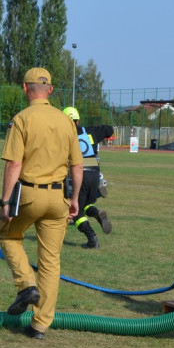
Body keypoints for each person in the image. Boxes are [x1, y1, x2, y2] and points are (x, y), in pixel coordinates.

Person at [0, 67, 83, 340]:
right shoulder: (66, 120)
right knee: (50, 261)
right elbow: (77, 166)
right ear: (50, 90)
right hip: (59, 198)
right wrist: (75, 199)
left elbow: (14, 163)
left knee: (9, 235)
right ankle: (40, 325)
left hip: (30, 195)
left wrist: (5, 202)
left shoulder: (21, 119)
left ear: (25, 88)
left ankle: (26, 286)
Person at [62, 106, 114, 248]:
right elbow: (109, 129)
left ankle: (92, 239)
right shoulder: (89, 131)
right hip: (95, 173)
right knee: (84, 204)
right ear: (78, 121)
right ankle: (97, 213)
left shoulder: (63, 135)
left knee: (75, 211)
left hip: (79, 173)